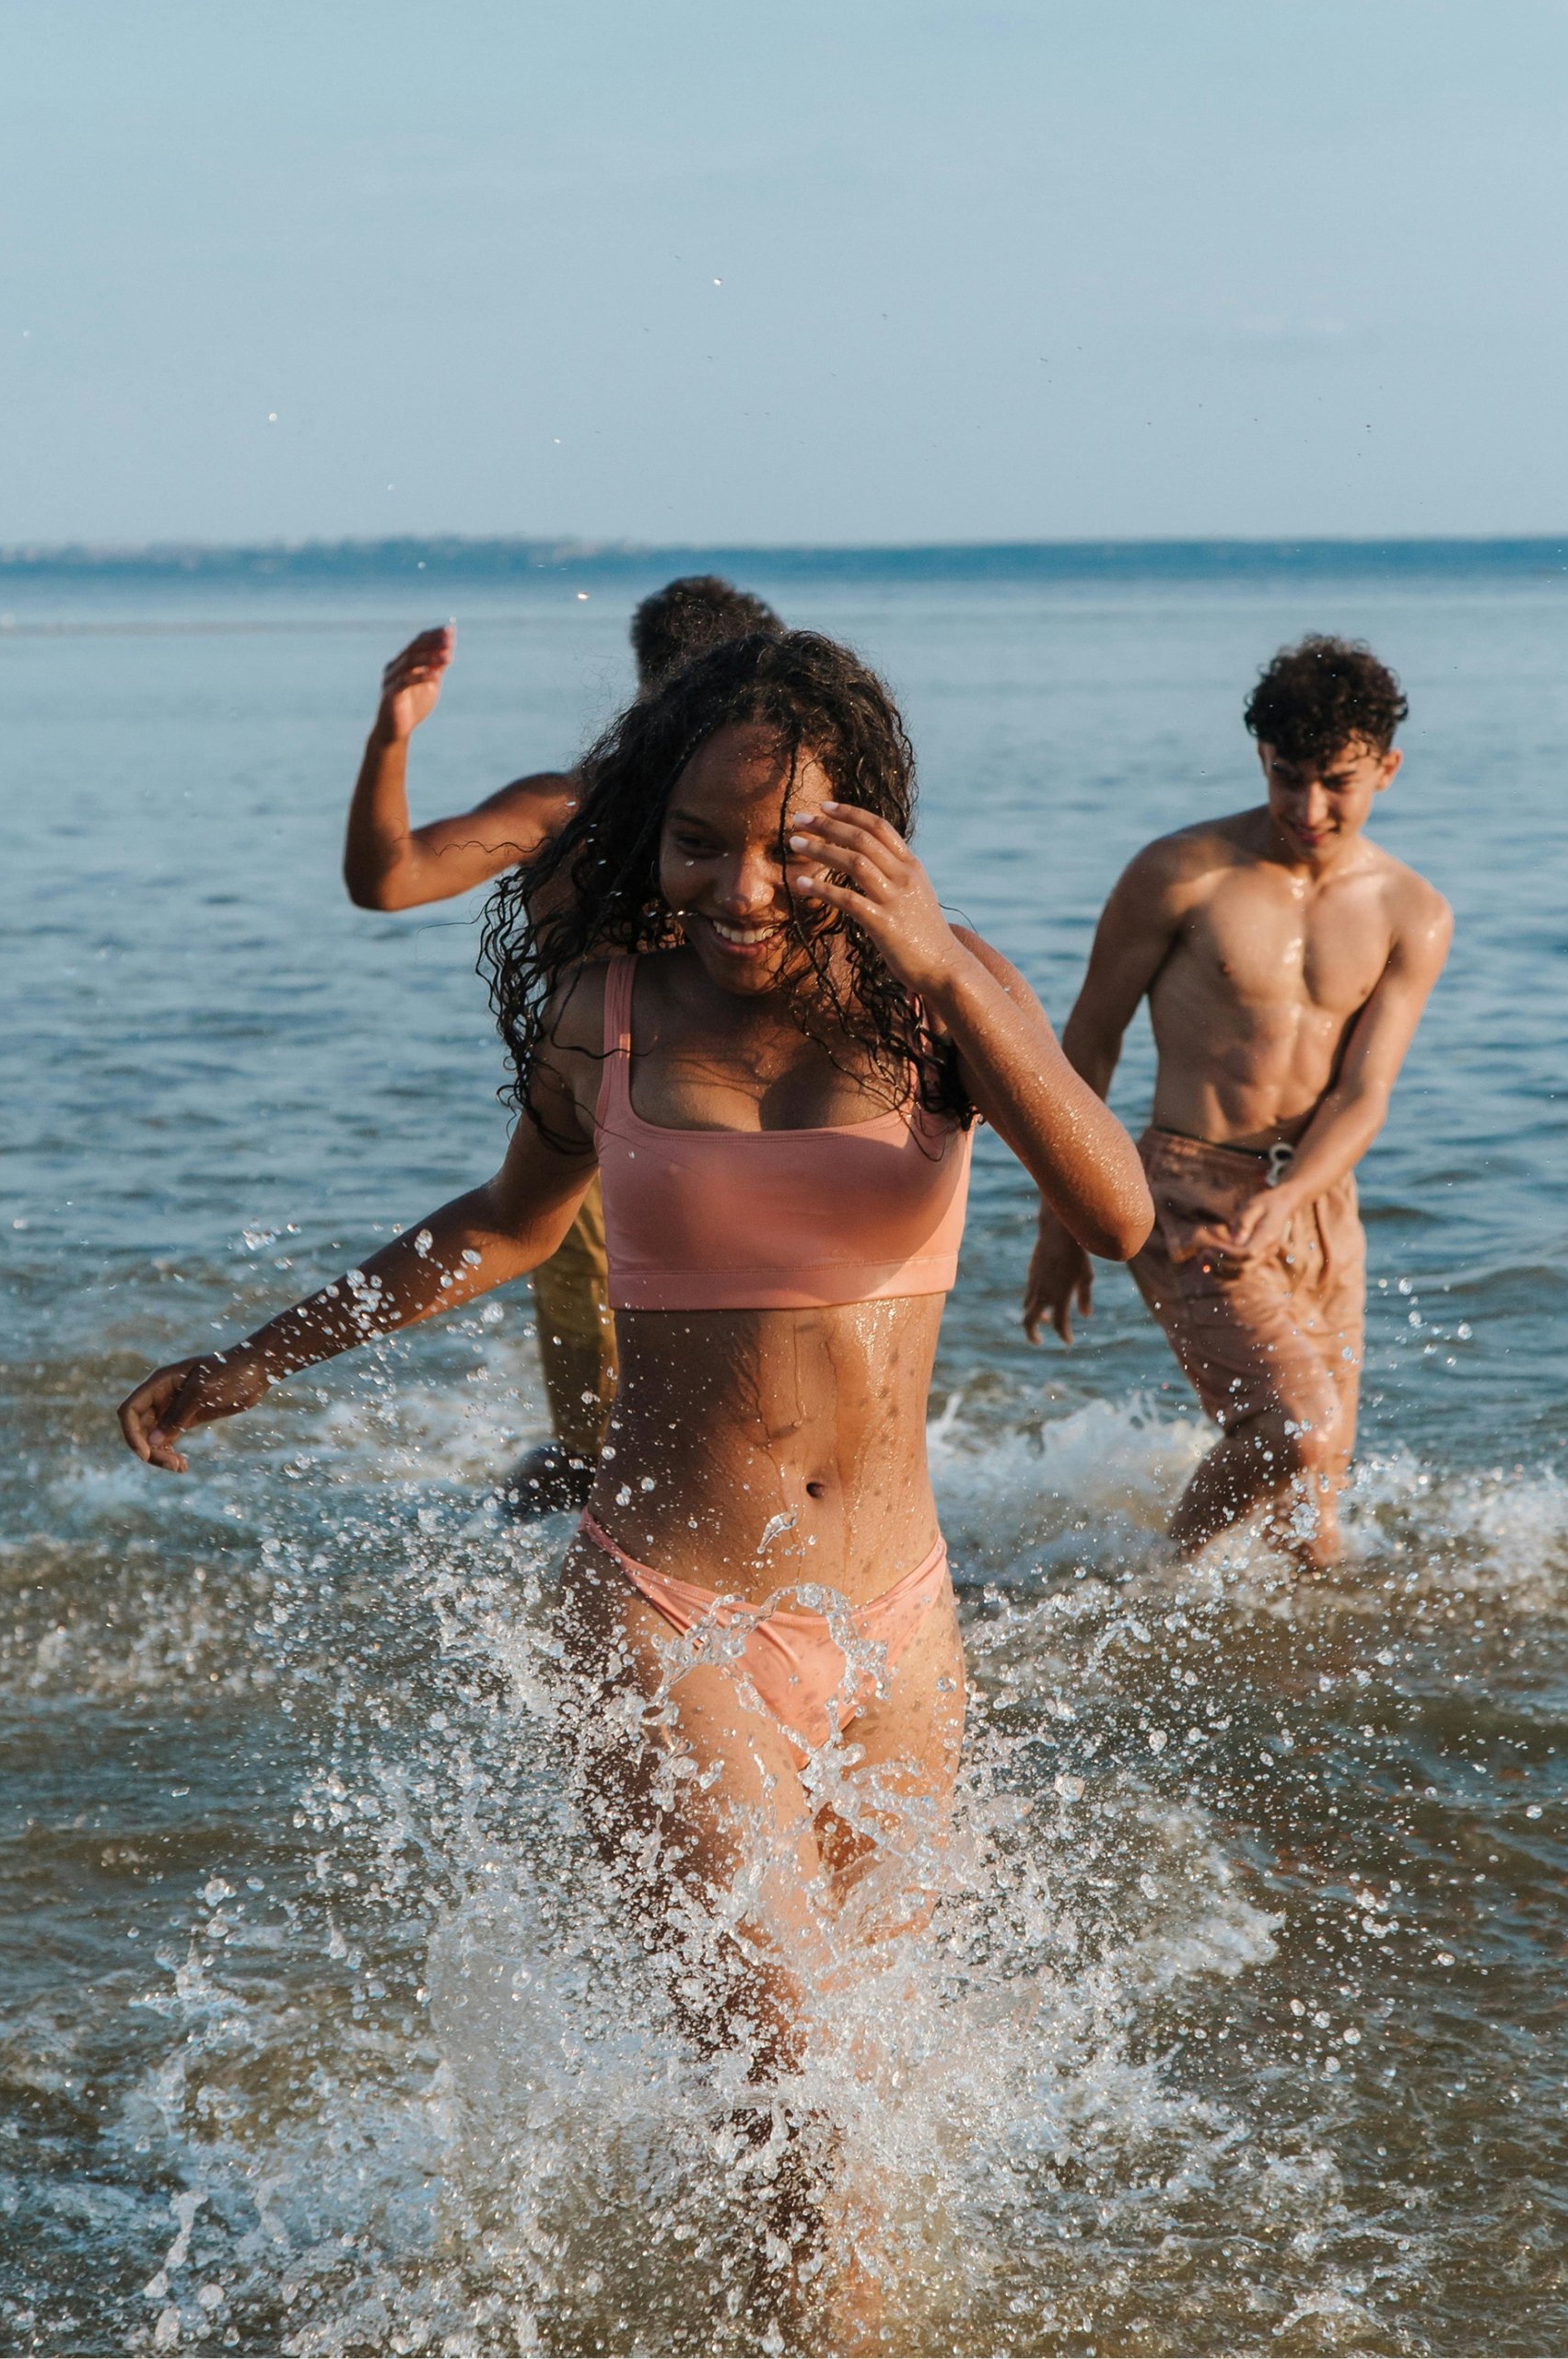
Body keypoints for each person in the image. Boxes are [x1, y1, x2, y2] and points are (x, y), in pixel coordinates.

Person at [121, 630, 1152, 2330]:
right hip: (671, 1614)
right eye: (694, 840)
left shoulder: (940, 993)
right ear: (647, 832)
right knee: (796, 2105)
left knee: (854, 2117)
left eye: (785, 846)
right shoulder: (606, 1009)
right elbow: (504, 1226)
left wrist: (951, 972)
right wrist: (260, 1356)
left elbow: (1112, 1213)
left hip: (901, 1625)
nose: (735, 886)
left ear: (868, 838)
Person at [342, 574, 783, 1514]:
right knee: (609, 1442)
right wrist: (394, 735)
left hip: (748, 1147)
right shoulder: (567, 813)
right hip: (597, 1154)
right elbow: (388, 881)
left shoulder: (773, 830)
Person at [1024, 634, 1452, 1569]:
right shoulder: (1179, 875)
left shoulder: (1410, 911)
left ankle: (1292, 1688)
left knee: (1317, 1514)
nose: (1307, 807)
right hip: (1183, 1191)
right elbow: (1086, 1042)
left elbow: (1364, 1091)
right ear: (1259, 759)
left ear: (1386, 766)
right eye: (1285, 776)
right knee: (1296, 1426)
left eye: (1336, 781)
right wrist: (1062, 1224)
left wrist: (1292, 1197)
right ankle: (1156, 1597)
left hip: (1316, 1202)